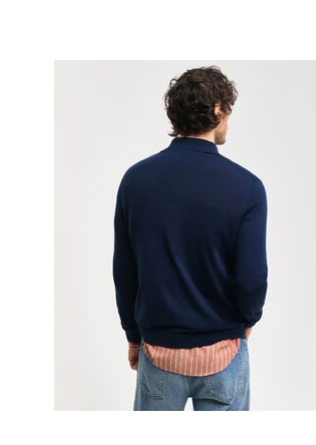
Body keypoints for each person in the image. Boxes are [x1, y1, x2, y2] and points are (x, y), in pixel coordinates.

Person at [112, 65, 268, 411]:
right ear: (218, 110)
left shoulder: (136, 180)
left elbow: (124, 269)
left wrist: (133, 336)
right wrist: (248, 320)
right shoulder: (247, 187)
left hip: (159, 350)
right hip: (222, 349)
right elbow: (252, 276)